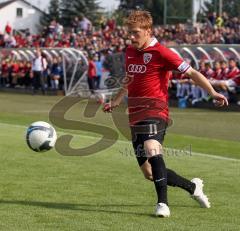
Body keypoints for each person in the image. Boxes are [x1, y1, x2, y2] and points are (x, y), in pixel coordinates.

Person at [103, 10, 228, 218]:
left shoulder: (162, 52)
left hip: (156, 111)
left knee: (152, 147)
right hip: (134, 115)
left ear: (148, 31)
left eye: (135, 33)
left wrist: (213, 91)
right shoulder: (130, 51)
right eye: (129, 33)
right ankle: (193, 187)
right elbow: (129, 78)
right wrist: (116, 101)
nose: (131, 37)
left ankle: (162, 204)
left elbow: (192, 73)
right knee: (149, 173)